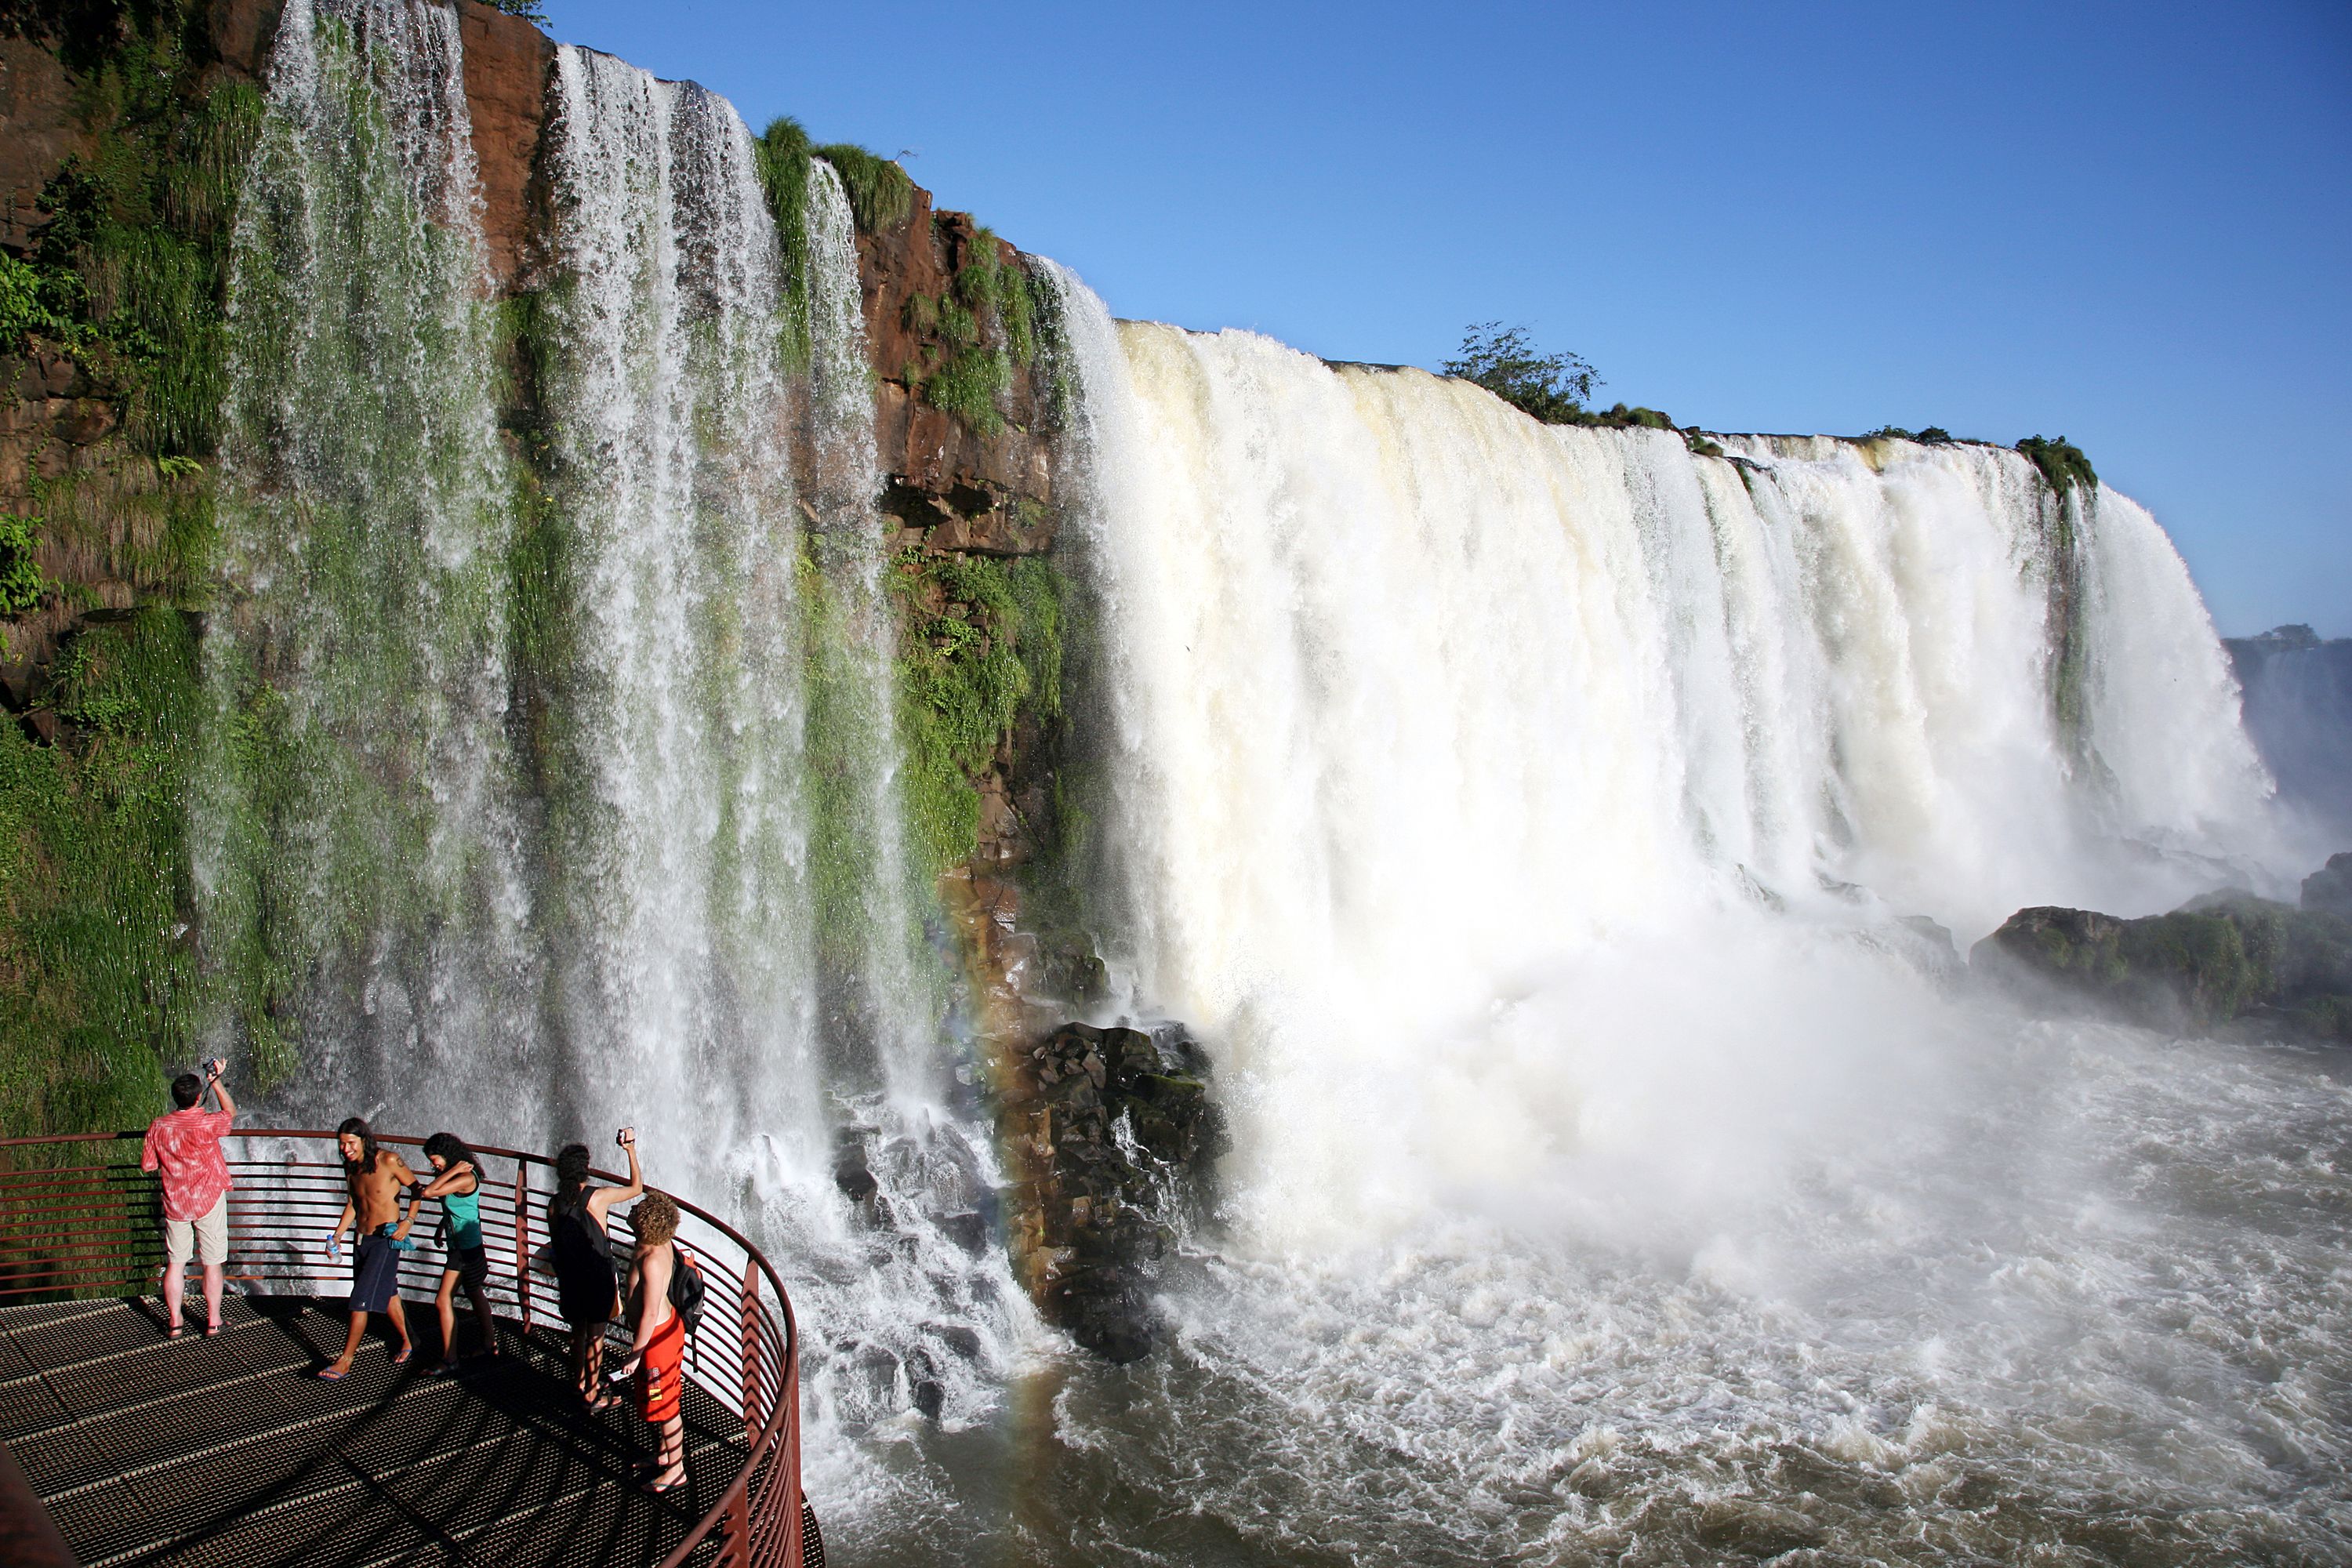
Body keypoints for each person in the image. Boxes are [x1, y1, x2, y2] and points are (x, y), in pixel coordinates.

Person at [140, 1057, 236, 1339]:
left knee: (176, 1262)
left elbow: (148, 1165)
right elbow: (230, 1112)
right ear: (198, 1098)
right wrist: (216, 1081)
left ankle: (175, 1322)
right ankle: (214, 1321)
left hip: (176, 1202)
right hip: (208, 1198)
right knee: (212, 1262)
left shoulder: (159, 1127)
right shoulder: (207, 1124)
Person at [318, 1117, 419, 1378]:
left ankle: (345, 1360)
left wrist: (408, 1221)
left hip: (385, 1240)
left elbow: (417, 1190)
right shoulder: (350, 1168)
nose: (345, 1149)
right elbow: (354, 1202)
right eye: (341, 1144)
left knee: (359, 1301)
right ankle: (410, 1341)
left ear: (364, 1139)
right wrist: (338, 1235)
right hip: (361, 1240)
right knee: (388, 1293)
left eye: (350, 1143)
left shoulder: (389, 1161)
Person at [550, 1127, 642, 1410]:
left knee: (578, 1331)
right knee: (596, 1336)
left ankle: (578, 1382)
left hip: (570, 1277)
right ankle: (592, 1394)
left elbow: (556, 1242)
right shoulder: (597, 1197)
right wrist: (630, 1150)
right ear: (584, 1170)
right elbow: (636, 1188)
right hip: (597, 1277)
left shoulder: (554, 1203)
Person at [614, 1190, 687, 1492]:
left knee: (666, 1406)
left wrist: (636, 1354)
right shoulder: (651, 1244)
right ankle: (664, 1456)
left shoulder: (653, 1259)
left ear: (646, 1222)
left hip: (657, 1343)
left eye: (638, 1210)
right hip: (656, 1338)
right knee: (659, 1403)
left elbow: (650, 1312)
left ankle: (677, 1470)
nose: (631, 1210)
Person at [416, 1132, 499, 1374]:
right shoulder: (455, 1177)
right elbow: (459, 1207)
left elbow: (428, 1193)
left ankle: (450, 1358)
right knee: (475, 1293)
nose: (433, 1165)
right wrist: (443, 1227)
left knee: (442, 1300)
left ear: (449, 1156)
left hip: (465, 1249)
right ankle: (489, 1345)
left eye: (435, 1160)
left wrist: (450, 1171)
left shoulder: (464, 1177)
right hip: (465, 1245)